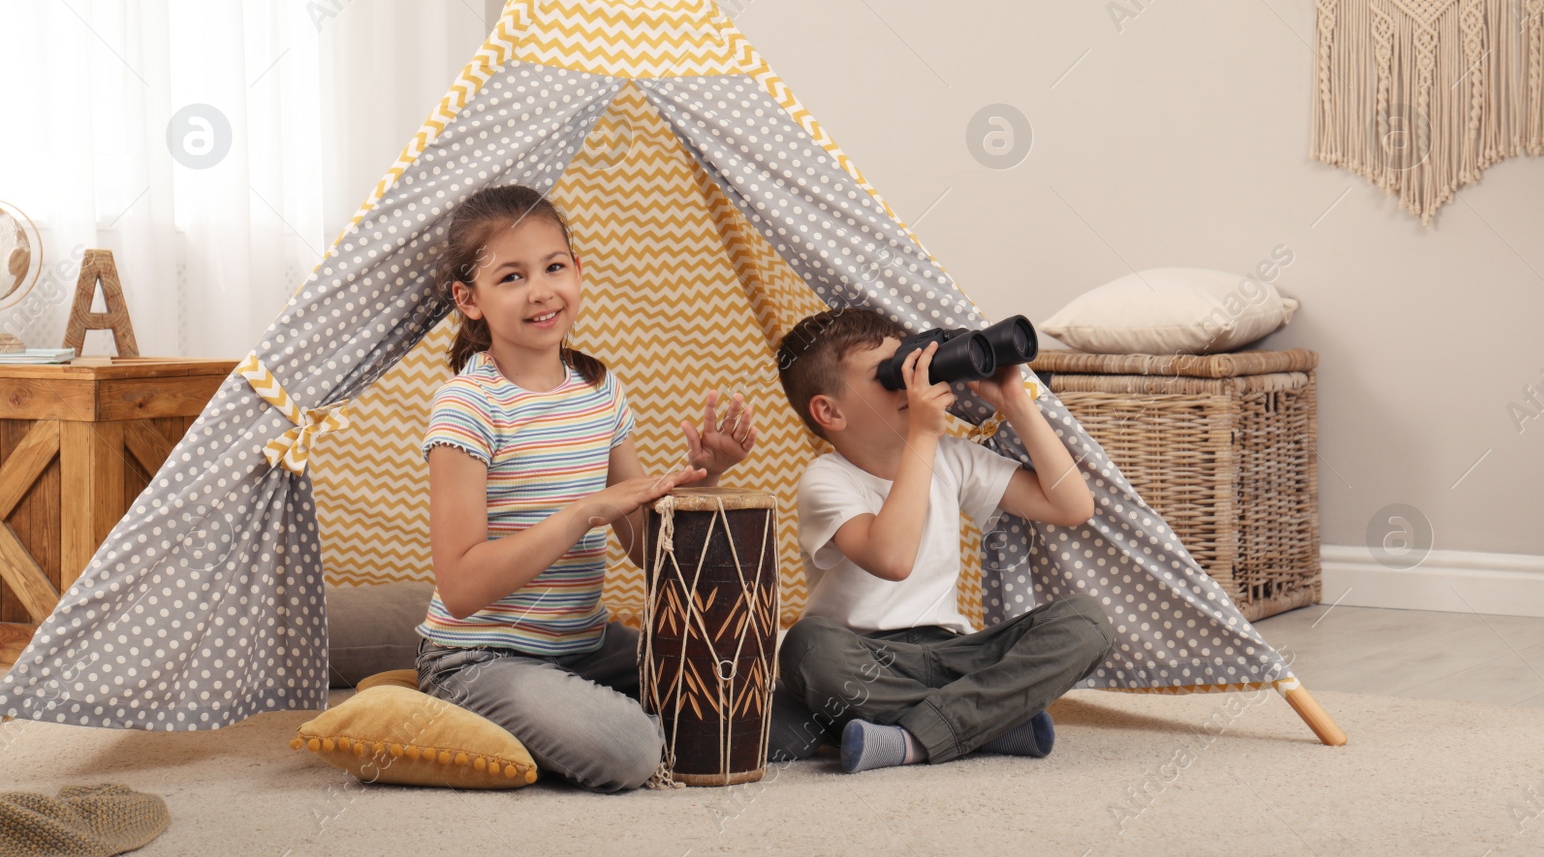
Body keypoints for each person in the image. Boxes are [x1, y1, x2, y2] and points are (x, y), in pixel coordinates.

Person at [413, 183, 758, 792]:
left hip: (585, 645)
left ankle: (563, 714)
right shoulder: (466, 406)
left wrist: (709, 478)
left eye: (553, 267)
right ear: (469, 300)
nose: (541, 291)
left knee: (753, 703)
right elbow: (462, 588)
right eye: (512, 277)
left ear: (577, 271)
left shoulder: (599, 389)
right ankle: (488, 713)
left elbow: (645, 551)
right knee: (628, 750)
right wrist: (581, 513)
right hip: (481, 659)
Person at [767, 306, 1116, 772]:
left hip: (953, 652)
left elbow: (1072, 507)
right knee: (806, 647)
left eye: (914, 366)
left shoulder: (952, 458)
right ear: (829, 412)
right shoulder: (826, 480)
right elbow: (893, 559)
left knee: (1086, 622)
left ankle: (905, 739)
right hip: (863, 659)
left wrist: (1016, 401)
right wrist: (923, 436)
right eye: (890, 375)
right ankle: (988, 724)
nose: (913, 384)